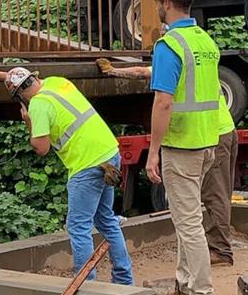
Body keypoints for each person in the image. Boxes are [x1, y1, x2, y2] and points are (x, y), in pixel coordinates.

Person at [0, 63, 134, 285]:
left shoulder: (38, 107)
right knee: (107, 219)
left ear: (19, 97)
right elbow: (22, 80)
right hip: (109, 153)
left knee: (79, 227)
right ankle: (125, 281)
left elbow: (41, 148)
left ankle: (86, 285)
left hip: (87, 165)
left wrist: (29, 122)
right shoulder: (56, 82)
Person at [142, 0, 226, 295]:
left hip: (182, 145)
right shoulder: (205, 42)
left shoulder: (168, 45)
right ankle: (183, 285)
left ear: (165, 2)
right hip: (208, 141)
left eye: (157, 1)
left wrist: (153, 151)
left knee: (189, 225)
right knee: (186, 220)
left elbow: (164, 101)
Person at [100, 59, 239, 266]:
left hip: (213, 134)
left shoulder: (175, 64)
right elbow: (143, 72)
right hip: (222, 129)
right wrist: (115, 71)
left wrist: (113, 71)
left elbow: (143, 74)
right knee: (219, 192)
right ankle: (216, 246)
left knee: (214, 194)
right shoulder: (200, 66)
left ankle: (220, 250)